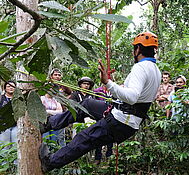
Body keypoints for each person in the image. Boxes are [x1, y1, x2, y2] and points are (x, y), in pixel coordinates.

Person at [39, 31, 161, 172]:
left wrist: (108, 83)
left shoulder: (140, 67)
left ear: (138, 49)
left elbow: (132, 97)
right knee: (87, 104)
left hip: (121, 121)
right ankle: (49, 124)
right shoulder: (155, 70)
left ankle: (50, 163)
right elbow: (139, 96)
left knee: (84, 138)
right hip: (126, 118)